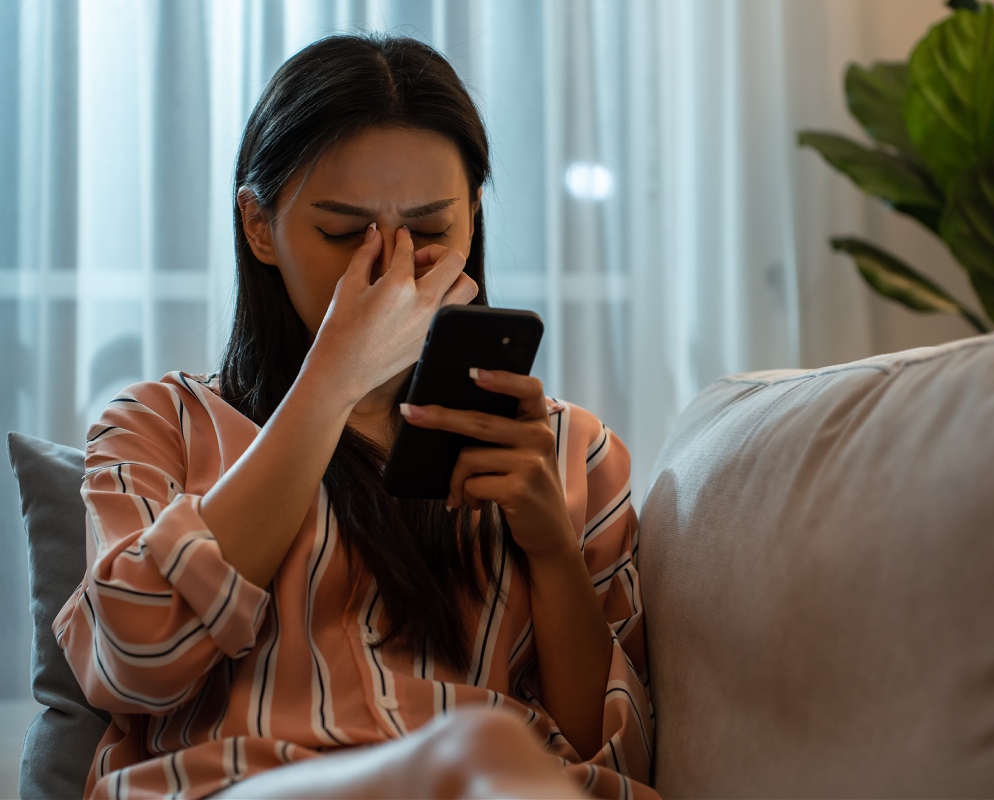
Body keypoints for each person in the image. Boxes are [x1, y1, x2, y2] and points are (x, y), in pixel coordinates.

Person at [54, 33, 652, 799]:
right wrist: (332, 381)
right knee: (478, 747)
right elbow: (129, 660)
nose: (394, 266)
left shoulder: (568, 451)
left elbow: (618, 757)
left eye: (433, 231)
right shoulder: (160, 425)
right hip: (245, 784)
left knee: (489, 753)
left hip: (500, 785)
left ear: (472, 217)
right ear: (259, 228)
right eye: (343, 234)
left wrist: (549, 544)